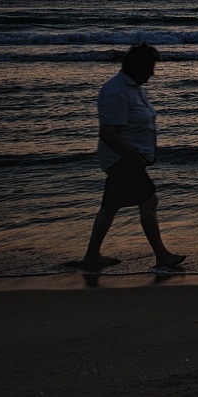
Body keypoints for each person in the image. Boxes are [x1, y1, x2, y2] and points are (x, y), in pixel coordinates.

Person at [80, 43, 185, 270]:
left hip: (130, 159)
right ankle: (162, 255)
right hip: (122, 160)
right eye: (149, 68)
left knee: (110, 206)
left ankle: (91, 256)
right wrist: (135, 157)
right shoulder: (116, 91)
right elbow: (107, 133)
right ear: (136, 66)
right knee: (148, 201)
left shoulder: (133, 88)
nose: (152, 73)